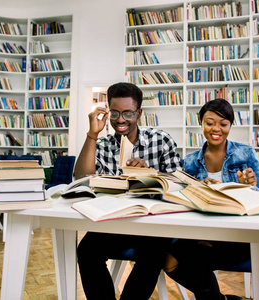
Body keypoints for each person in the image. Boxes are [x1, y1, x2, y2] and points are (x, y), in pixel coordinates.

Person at [74, 82, 182, 300]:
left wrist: (149, 175)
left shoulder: (161, 140)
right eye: (114, 113)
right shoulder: (103, 144)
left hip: (153, 225)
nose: (120, 120)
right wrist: (92, 134)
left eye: (127, 113)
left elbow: (179, 184)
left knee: (154, 252)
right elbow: (82, 178)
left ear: (139, 113)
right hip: (115, 222)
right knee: (86, 250)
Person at [163, 99, 259, 300]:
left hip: (239, 235)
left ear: (230, 125)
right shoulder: (191, 161)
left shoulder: (246, 153)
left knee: (195, 261)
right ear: (201, 123)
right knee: (167, 260)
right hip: (203, 232)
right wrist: (199, 189)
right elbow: (183, 201)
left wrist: (248, 188)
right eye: (210, 122)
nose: (216, 129)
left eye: (223, 124)